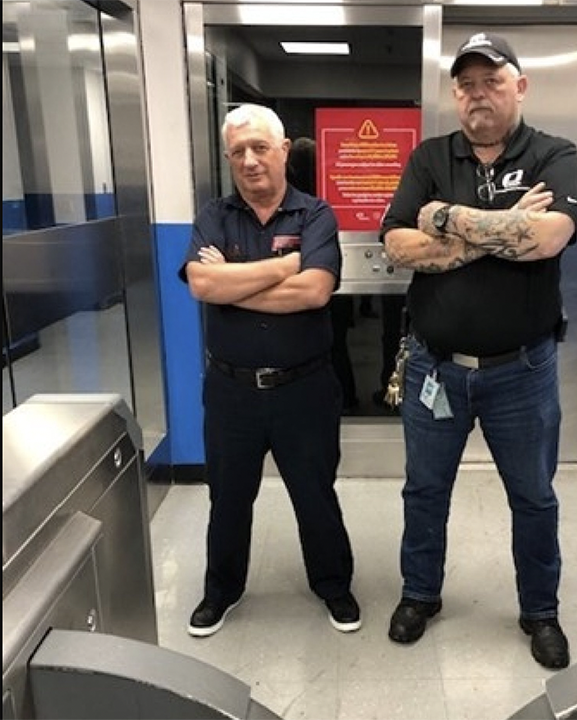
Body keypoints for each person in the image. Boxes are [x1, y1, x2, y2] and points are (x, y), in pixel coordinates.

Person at [377, 32, 577, 670]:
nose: (477, 94)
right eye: (465, 83)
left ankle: (540, 610)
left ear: (519, 86)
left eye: (492, 80)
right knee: (424, 490)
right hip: (436, 367)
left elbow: (548, 237)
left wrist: (445, 217)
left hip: (521, 372)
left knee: (534, 496)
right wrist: (497, 229)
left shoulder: (555, 153)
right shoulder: (429, 157)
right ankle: (420, 594)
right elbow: (397, 246)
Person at [178, 104, 361, 637]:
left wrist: (234, 282)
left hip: (304, 388)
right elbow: (202, 286)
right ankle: (222, 591)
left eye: (260, 148)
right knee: (228, 497)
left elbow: (315, 291)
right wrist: (284, 266)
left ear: (284, 150)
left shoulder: (316, 215)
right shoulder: (214, 215)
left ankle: (333, 585)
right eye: (238, 152)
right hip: (231, 390)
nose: (250, 161)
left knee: (315, 494)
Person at [287, 135, 362, 413]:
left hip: (322, 278)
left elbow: (314, 290)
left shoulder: (311, 208)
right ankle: (347, 398)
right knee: (338, 342)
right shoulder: (325, 191)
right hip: (333, 275)